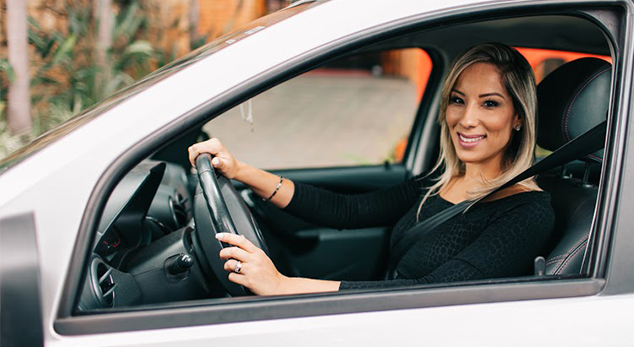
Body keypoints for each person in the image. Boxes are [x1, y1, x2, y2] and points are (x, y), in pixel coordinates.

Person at [188, 43, 554, 296]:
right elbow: (348, 210)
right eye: (458, 100)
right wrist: (240, 170)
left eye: (490, 104)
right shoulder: (442, 181)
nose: (467, 119)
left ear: (518, 116)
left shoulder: (527, 212)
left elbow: (431, 294)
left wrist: (283, 285)